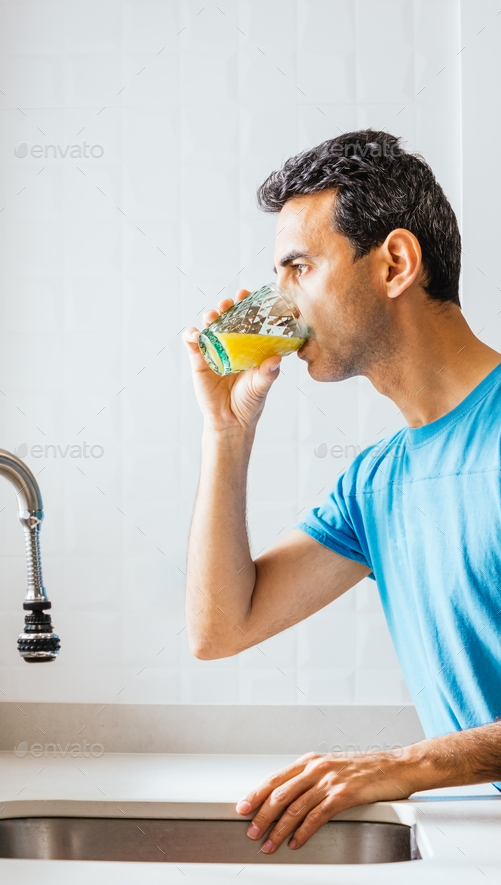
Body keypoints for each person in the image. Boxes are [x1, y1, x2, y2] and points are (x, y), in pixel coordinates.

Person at [182, 129, 501, 856]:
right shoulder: (376, 482)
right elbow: (220, 627)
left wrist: (406, 763)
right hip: (478, 840)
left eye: (298, 267)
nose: (276, 300)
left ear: (394, 263)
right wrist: (225, 435)